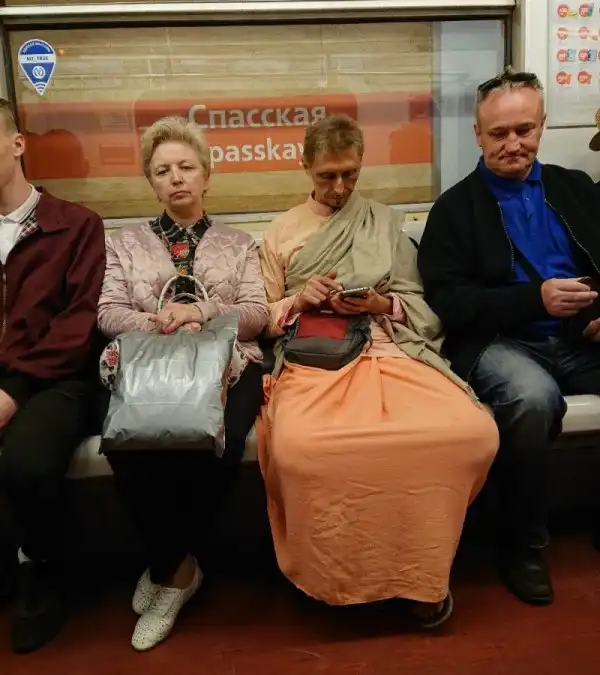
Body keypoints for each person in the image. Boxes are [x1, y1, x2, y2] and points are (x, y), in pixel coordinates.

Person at [257, 114, 498, 624]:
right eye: (327, 176)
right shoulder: (280, 232)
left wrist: (381, 304)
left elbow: (421, 304)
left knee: (471, 431)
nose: (339, 187)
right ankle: (339, 580)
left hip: (390, 347)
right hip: (315, 357)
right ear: (305, 167)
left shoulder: (384, 223)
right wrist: (301, 299)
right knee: (301, 447)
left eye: (350, 174)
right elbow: (263, 317)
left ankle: (420, 575)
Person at [418, 67, 600, 607]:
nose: (513, 144)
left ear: (542, 126)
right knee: (531, 399)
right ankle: (522, 543)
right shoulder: (454, 209)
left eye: (524, 129)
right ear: (478, 135)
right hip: (499, 342)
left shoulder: (577, 189)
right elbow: (449, 303)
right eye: (499, 133)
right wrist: (533, 300)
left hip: (581, 336)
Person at [97, 116, 268, 651]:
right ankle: (179, 567)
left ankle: (167, 571)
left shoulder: (240, 244)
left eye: (186, 167)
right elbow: (108, 311)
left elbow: (258, 313)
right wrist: (161, 321)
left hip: (228, 364)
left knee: (218, 442)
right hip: (148, 364)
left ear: (207, 175)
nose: (176, 178)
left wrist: (202, 313)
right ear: (151, 182)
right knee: (128, 444)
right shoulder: (124, 243)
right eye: (163, 170)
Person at [0, 99, 106, 653]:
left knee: (24, 460)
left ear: (17, 143)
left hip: (56, 379)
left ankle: (42, 569)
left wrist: (12, 390)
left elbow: (77, 325)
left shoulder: (75, 225)